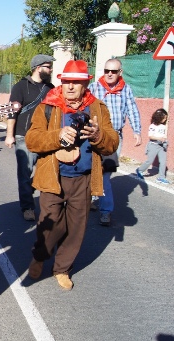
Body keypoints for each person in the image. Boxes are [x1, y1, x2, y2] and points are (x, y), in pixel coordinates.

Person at [25, 60, 119, 290]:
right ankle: (39, 256)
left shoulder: (97, 107)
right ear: (61, 82)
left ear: (85, 83)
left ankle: (62, 269)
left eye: (76, 82)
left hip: (84, 178)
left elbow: (112, 143)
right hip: (52, 178)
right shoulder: (47, 106)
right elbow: (32, 140)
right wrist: (57, 135)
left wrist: (98, 135)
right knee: (50, 226)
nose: (70, 87)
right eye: (66, 81)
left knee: (76, 228)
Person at [88, 58, 142, 226]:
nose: (109, 74)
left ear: (120, 73)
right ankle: (89, 197)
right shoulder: (94, 88)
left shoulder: (125, 90)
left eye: (113, 71)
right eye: (106, 71)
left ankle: (105, 211)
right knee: (89, 170)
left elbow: (132, 109)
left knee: (105, 174)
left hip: (113, 138)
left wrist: (137, 131)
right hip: (93, 135)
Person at [6, 54, 56, 221]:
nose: (50, 70)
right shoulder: (20, 87)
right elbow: (12, 112)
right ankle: (27, 206)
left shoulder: (51, 88)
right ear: (37, 67)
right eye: (48, 67)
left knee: (47, 170)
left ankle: (38, 194)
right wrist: (9, 135)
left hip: (45, 137)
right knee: (25, 173)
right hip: (24, 136)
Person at [136, 108, 169, 184]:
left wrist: (164, 140)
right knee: (149, 161)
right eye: (164, 118)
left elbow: (163, 135)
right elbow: (150, 136)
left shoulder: (163, 126)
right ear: (159, 117)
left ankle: (161, 177)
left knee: (163, 162)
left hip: (161, 146)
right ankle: (140, 170)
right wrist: (159, 138)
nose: (165, 120)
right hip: (153, 145)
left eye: (166, 118)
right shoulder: (152, 126)